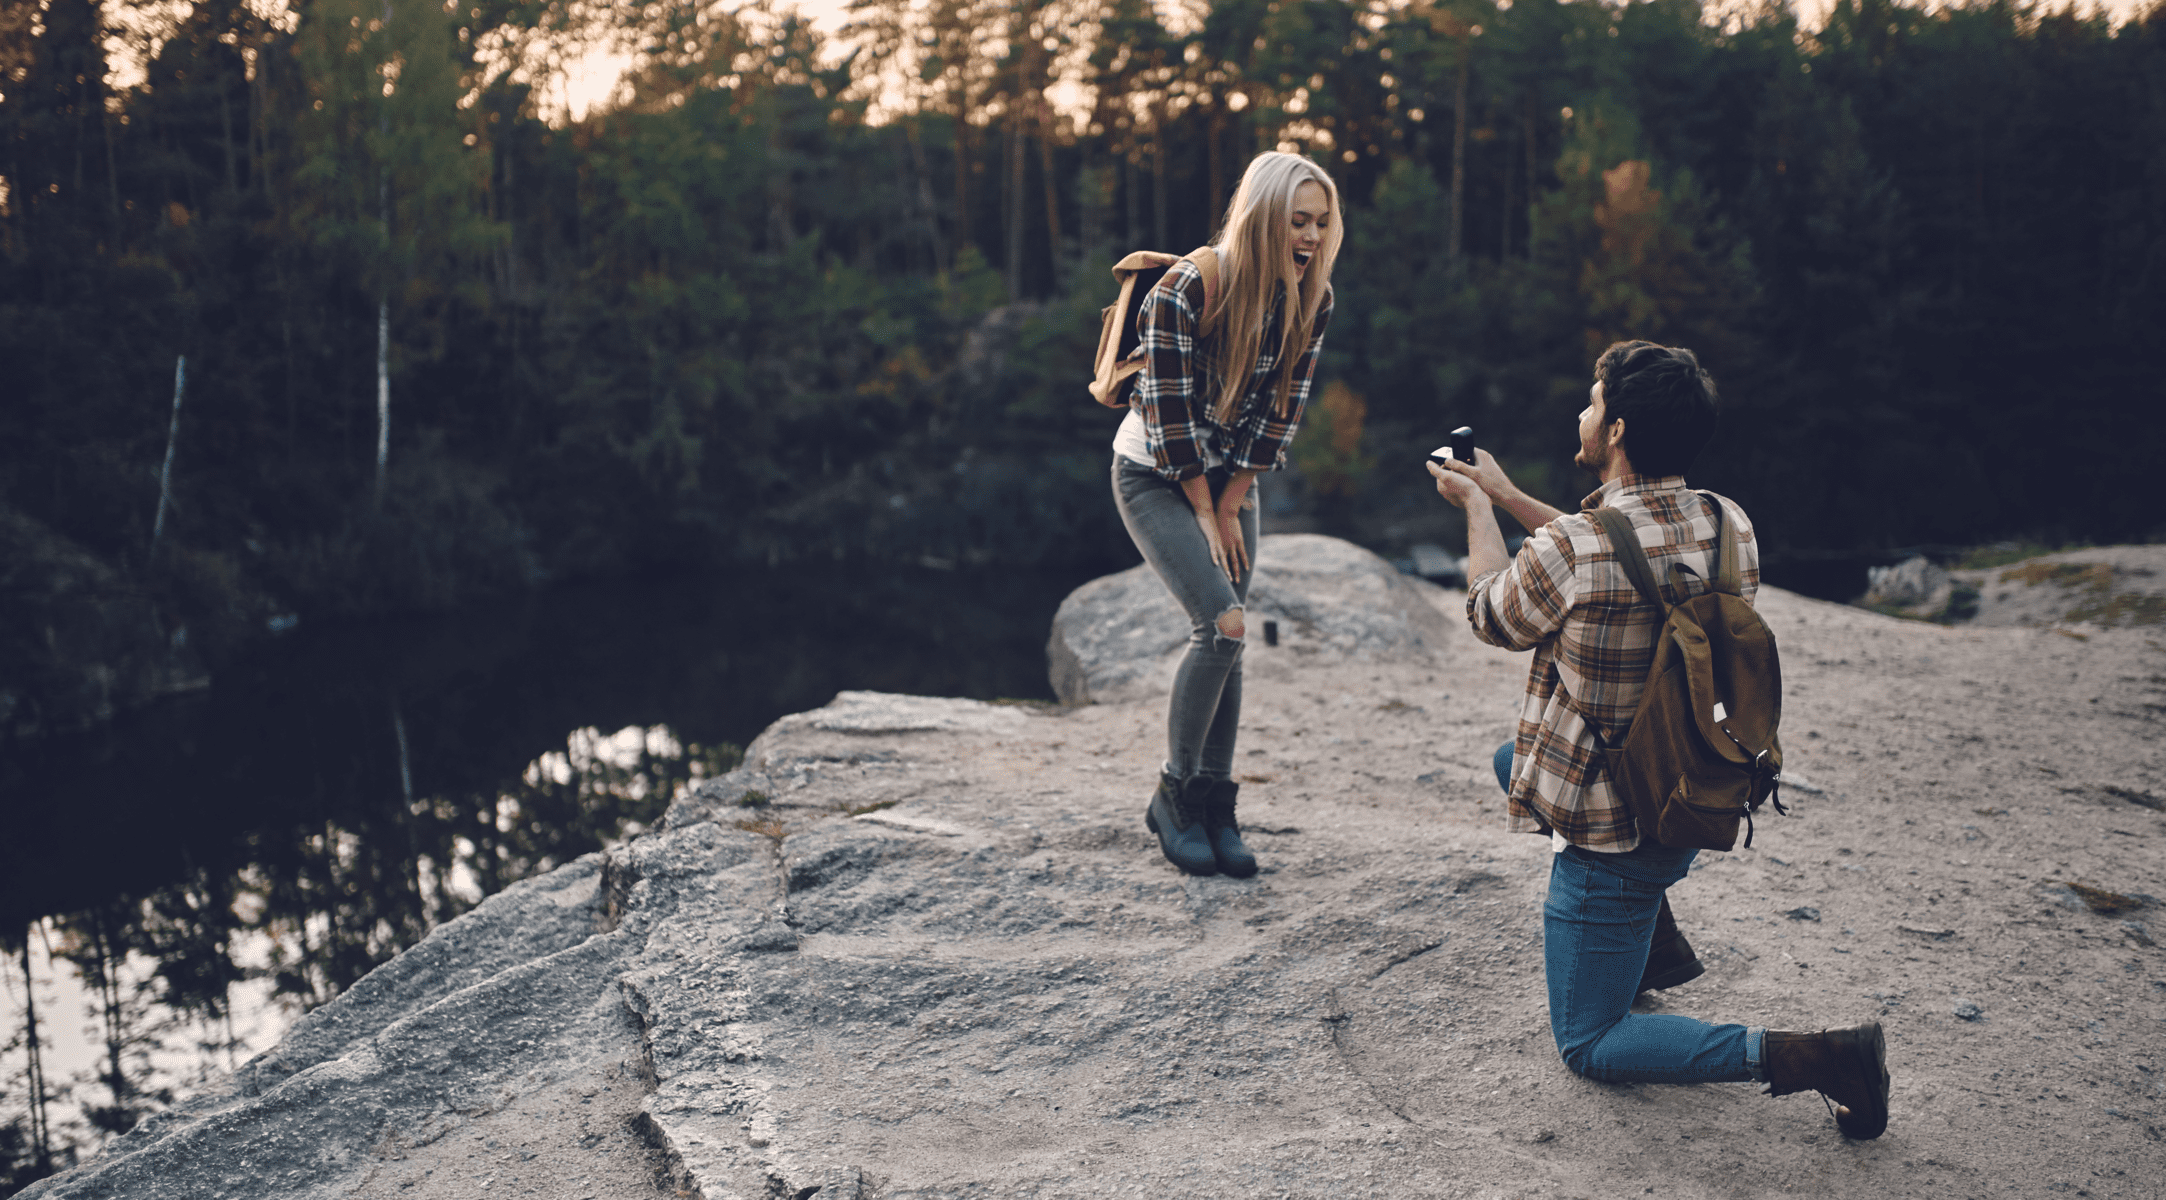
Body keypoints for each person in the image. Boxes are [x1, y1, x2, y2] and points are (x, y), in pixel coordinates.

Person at [1425, 341, 1890, 1139]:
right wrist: (1504, 493)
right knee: (1516, 764)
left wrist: (1475, 510)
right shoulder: (1725, 521)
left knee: (1592, 1041)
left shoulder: (1576, 548)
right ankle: (1653, 946)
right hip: (1694, 783)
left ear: (1617, 431)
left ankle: (1821, 1058)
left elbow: (1493, 610)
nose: (1582, 412)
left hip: (1617, 836)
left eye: (1592, 401)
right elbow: (1609, 551)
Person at [1113, 150, 1339, 878]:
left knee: (1229, 640)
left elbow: (1282, 413)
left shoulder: (1315, 297)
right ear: (1264, 217)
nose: (1309, 236)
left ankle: (1215, 802)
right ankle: (1175, 795)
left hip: (1232, 479)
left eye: (1321, 222)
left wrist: (1235, 499)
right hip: (1156, 474)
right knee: (1224, 624)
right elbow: (1170, 416)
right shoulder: (1185, 287)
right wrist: (1205, 512)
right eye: (1296, 220)